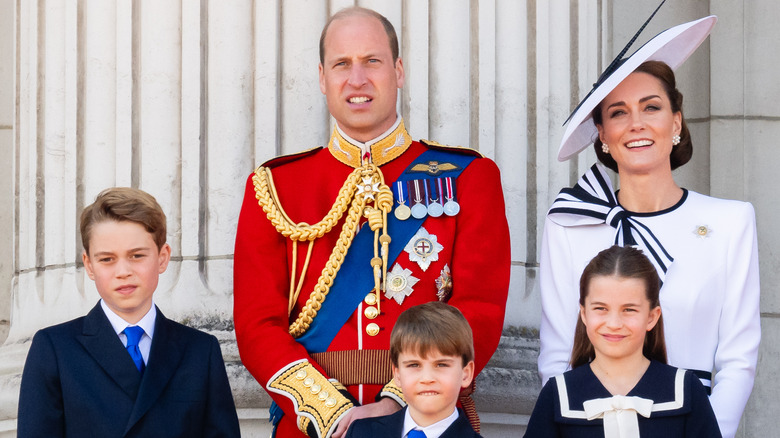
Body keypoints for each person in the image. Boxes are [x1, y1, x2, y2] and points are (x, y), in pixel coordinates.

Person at [233, 6, 510, 438]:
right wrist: (330, 414)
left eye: (372, 61)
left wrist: (398, 402)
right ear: (322, 78)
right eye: (342, 64)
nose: (357, 79)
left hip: (424, 417)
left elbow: (480, 308)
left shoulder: (468, 177)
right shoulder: (274, 187)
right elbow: (256, 326)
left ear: (398, 71)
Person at [538, 13, 760, 438]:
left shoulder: (731, 222)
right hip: (590, 423)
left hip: (691, 424)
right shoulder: (569, 223)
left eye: (652, 107)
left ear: (676, 121)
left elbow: (738, 358)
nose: (636, 123)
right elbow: (555, 356)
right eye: (618, 113)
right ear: (602, 133)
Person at [17, 187, 241, 437]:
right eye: (107, 259)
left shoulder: (200, 350)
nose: (123, 271)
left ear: (162, 257)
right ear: (89, 265)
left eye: (136, 255)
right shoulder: (54, 349)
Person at [526, 246, 721, 437]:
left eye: (629, 310)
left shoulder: (686, 391)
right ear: (584, 314)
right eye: (601, 308)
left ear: (652, 317)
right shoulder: (558, 395)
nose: (614, 324)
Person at [345, 302, 482, 438]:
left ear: (466, 374)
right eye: (414, 365)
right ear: (397, 374)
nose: (427, 378)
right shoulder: (360, 433)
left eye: (441, 365)